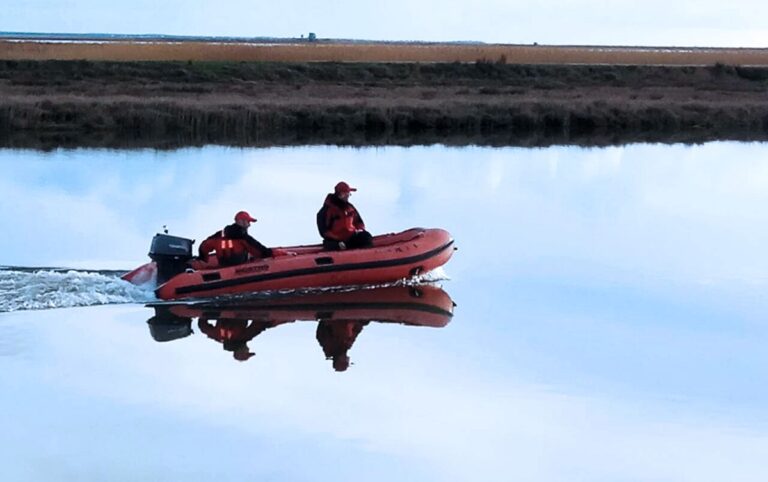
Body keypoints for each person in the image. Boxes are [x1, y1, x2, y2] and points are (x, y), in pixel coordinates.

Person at [198, 211, 291, 267]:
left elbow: (204, 246)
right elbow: (261, 252)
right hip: (239, 268)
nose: (249, 225)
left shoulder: (219, 235)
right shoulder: (243, 238)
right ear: (240, 222)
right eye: (248, 222)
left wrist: (203, 259)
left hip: (223, 266)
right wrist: (280, 253)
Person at [316, 181, 373, 250]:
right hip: (335, 241)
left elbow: (358, 222)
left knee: (366, 236)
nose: (348, 196)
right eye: (346, 194)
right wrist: (337, 240)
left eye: (349, 194)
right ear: (340, 194)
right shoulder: (327, 210)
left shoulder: (350, 208)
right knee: (333, 246)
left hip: (351, 238)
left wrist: (360, 230)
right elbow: (324, 231)